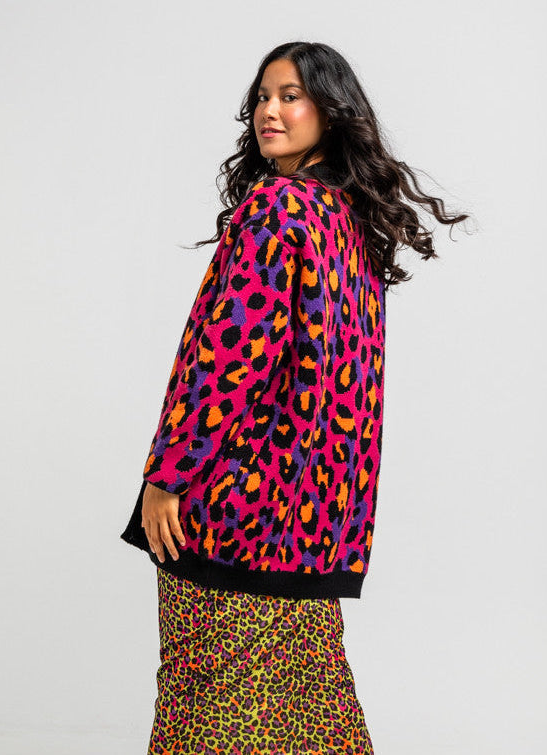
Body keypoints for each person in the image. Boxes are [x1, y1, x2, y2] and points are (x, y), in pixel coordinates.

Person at [120, 41, 469, 754]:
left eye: (291, 96)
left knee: (206, 701)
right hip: (312, 518)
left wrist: (166, 476)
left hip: (235, 505)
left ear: (331, 112)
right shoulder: (345, 220)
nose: (269, 112)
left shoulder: (277, 210)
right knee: (310, 703)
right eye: (262, 96)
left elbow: (228, 362)